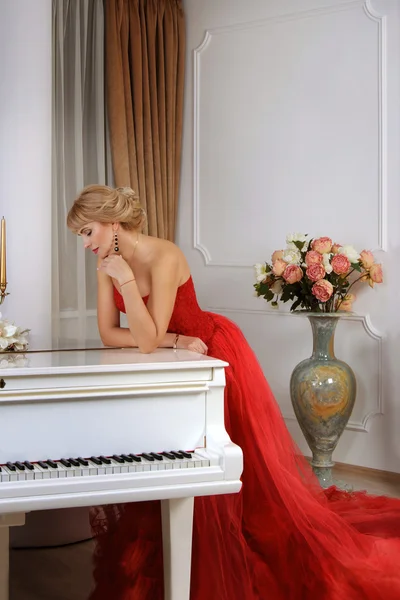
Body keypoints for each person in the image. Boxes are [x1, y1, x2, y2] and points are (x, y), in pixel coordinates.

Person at [67, 184, 400, 600]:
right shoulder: (107, 265)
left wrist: (131, 286)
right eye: (80, 235)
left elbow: (144, 338)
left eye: (87, 232)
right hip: (176, 358)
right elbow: (108, 334)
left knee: (231, 476)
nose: (85, 245)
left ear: (112, 224)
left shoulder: (163, 254)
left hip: (213, 356)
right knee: (167, 462)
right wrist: (172, 339)